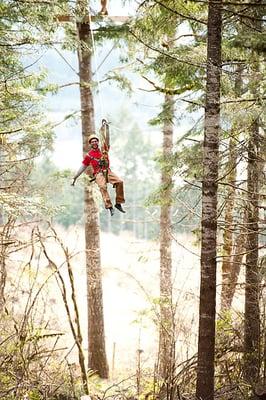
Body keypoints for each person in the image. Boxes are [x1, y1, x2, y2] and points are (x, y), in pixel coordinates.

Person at [71, 120, 125, 216]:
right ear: (90, 144)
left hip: (108, 171)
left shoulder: (104, 149)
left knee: (120, 182)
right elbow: (83, 167)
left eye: (96, 141)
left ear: (98, 142)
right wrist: (75, 177)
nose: (95, 143)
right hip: (98, 174)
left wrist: (106, 128)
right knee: (102, 187)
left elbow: (107, 139)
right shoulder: (89, 156)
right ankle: (109, 206)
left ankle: (118, 203)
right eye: (92, 142)